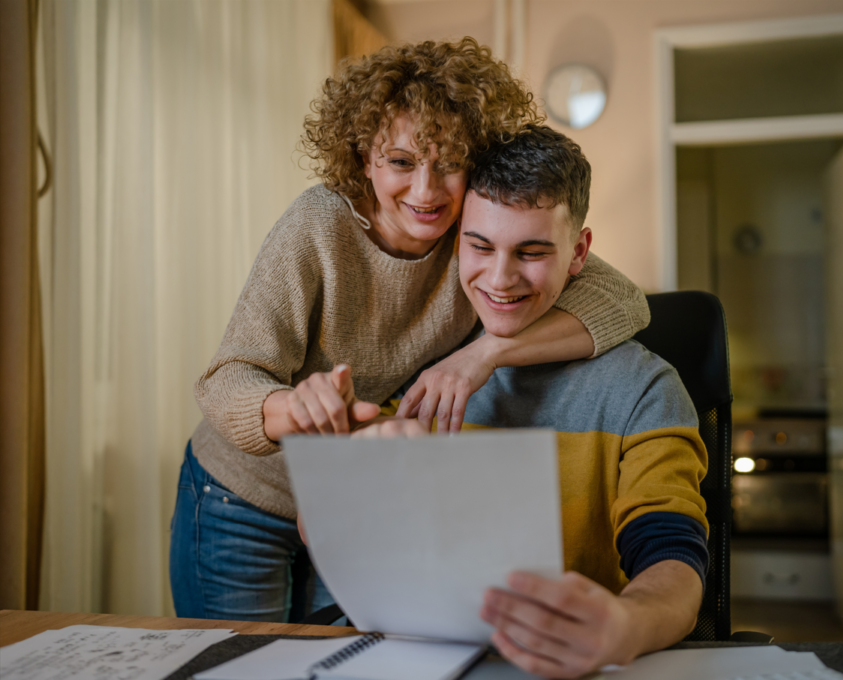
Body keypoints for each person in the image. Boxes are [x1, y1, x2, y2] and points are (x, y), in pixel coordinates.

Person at [169, 38, 650, 624]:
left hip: (360, 503)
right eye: (400, 162)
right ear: (361, 156)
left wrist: (483, 355)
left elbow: (623, 300)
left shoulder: (476, 235)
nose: (425, 192)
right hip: (243, 496)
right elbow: (226, 381)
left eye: (448, 164)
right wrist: (291, 406)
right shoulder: (318, 226)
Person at [352, 125, 708, 679]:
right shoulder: (428, 363)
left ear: (579, 252)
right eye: (479, 245)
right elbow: (337, 535)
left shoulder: (645, 389)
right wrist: (360, 476)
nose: (500, 278)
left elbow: (674, 559)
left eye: (533, 251)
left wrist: (625, 624)